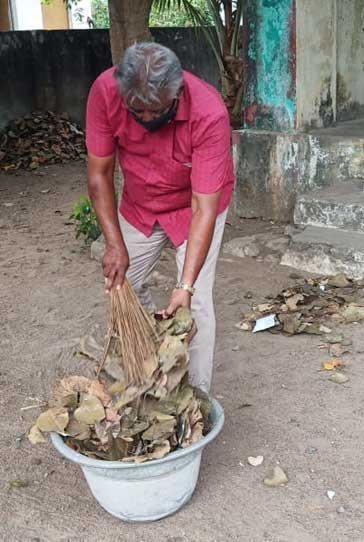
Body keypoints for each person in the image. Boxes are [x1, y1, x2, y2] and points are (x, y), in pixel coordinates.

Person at [85, 42, 235, 392]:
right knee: (123, 285)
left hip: (194, 206)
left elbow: (204, 208)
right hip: (140, 204)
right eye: (139, 111)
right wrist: (113, 244)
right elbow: (99, 176)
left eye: (159, 110)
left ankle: (194, 401)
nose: (149, 119)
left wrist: (184, 286)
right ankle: (149, 371)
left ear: (178, 91)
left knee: (194, 302)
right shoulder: (106, 91)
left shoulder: (209, 111)